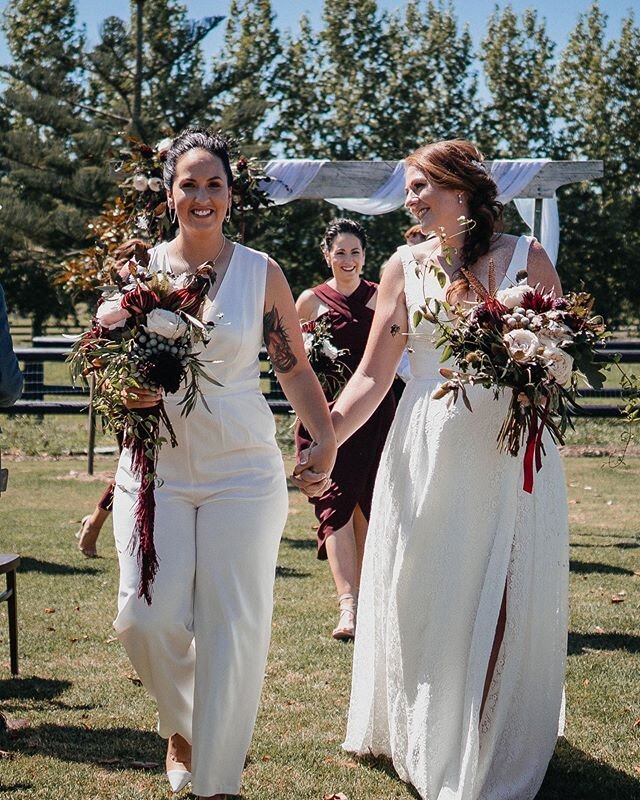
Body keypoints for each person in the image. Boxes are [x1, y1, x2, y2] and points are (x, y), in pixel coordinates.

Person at [296, 139, 568, 800]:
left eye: (424, 186)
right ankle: (431, 723)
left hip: (510, 447)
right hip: (426, 448)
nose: (412, 199)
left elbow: (560, 359)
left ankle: (479, 736)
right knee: (429, 592)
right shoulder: (400, 269)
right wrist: (325, 439)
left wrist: (536, 369)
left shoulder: (526, 258)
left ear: (465, 189)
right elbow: (371, 376)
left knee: (501, 585)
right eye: (408, 188)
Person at [111, 128, 335, 800]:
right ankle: (181, 726)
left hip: (242, 472)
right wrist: (133, 390)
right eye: (189, 184)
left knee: (233, 626)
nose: (202, 196)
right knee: (144, 619)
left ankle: (219, 783)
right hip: (155, 473)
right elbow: (111, 378)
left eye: (214, 184)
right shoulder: (137, 276)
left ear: (232, 195)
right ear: (170, 194)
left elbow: (292, 368)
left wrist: (323, 438)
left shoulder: (261, 271)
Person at [295, 219, 395, 640]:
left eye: (356, 252)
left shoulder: (380, 299)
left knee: (368, 504)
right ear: (327, 254)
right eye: (341, 252)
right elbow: (294, 364)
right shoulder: (308, 301)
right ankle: (348, 607)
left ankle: (369, 599)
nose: (349, 260)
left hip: (375, 418)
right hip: (325, 416)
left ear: (365, 256)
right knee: (335, 505)